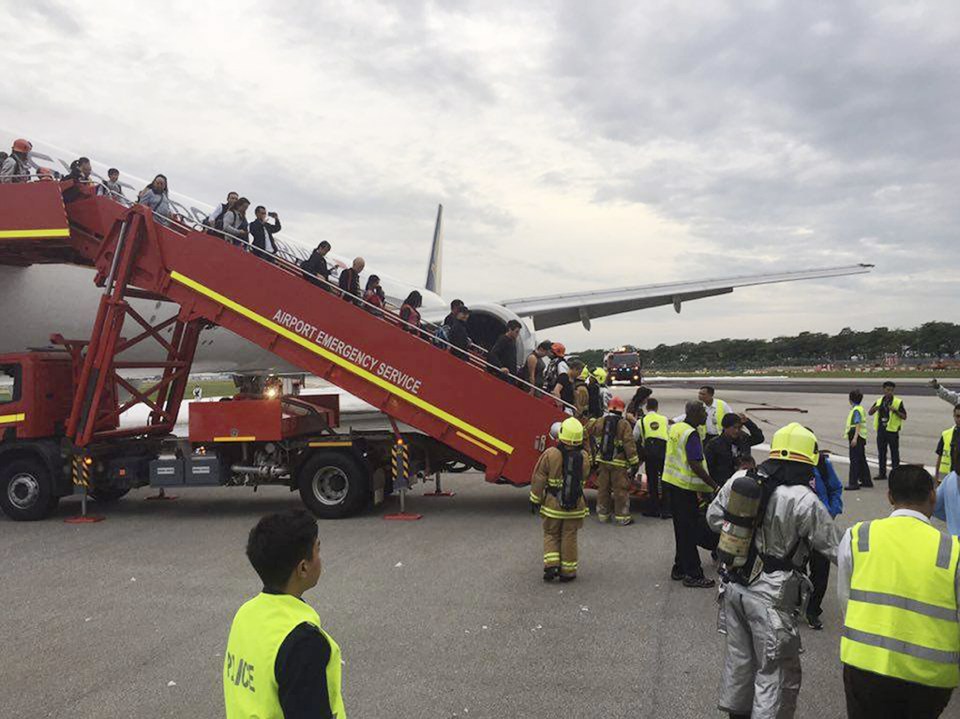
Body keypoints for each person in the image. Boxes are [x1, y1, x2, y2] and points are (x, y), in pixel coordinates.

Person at [707, 423, 841, 719]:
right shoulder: (804, 500)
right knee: (775, 674)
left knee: (740, 661)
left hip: (733, 587)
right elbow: (835, 548)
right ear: (808, 459)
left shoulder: (742, 478)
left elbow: (714, 518)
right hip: (773, 596)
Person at [838, 465, 959, 718]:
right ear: (933, 495)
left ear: (890, 497)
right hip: (929, 677)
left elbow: (845, 598)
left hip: (864, 666)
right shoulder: (951, 551)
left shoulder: (858, 536)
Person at [223, 510, 346, 718]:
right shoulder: (303, 642)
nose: (320, 558)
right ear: (303, 568)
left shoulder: (245, 614)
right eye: (317, 550)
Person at [663, 400, 719, 588]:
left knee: (681, 529)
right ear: (695, 413)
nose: (706, 415)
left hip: (671, 483)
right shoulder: (691, 434)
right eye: (703, 412)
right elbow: (695, 463)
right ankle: (693, 574)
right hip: (683, 488)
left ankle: (679, 567)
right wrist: (713, 486)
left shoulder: (677, 428)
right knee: (688, 532)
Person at [529, 417, 591, 582]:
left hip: (553, 505)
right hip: (576, 505)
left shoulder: (551, 454)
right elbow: (585, 476)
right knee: (569, 536)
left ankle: (551, 565)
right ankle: (568, 571)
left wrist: (535, 498)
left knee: (551, 533)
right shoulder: (584, 456)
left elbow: (539, 478)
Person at [588, 396, 640, 525]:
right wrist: (634, 462)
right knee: (620, 490)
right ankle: (622, 517)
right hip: (619, 464)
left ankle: (603, 516)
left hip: (603, 462)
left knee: (603, 490)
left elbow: (588, 430)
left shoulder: (600, 421)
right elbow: (629, 444)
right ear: (621, 410)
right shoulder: (624, 424)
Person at [805, 452, 843, 630]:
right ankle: (796, 603)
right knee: (794, 568)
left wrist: (832, 510)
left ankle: (813, 609)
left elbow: (835, 488)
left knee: (820, 571)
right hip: (798, 526)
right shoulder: (789, 467)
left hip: (822, 527)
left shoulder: (822, 463)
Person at [705, 413, 765, 488]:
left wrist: (747, 422)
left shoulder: (743, 439)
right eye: (734, 428)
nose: (737, 431)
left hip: (743, 483)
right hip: (723, 485)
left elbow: (759, 438)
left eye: (739, 428)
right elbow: (708, 468)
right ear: (725, 427)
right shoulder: (714, 445)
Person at [638, 397, 670, 519]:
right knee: (665, 481)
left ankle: (654, 509)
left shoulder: (641, 421)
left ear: (647, 407)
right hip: (663, 453)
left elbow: (635, 436)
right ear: (657, 407)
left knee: (652, 482)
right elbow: (668, 433)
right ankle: (666, 510)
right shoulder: (664, 419)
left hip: (650, 455)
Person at [869, 381, 907, 480]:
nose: (889, 392)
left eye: (891, 390)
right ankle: (882, 473)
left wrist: (895, 411)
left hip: (892, 431)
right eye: (887, 390)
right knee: (881, 453)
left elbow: (904, 416)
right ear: (884, 390)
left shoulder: (898, 402)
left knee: (894, 453)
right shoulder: (879, 401)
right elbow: (870, 412)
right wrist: (875, 408)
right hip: (881, 430)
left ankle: (896, 474)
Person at [845, 389, 872, 491]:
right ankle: (866, 480)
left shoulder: (856, 410)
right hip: (861, 436)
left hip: (856, 435)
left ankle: (853, 482)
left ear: (850, 399)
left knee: (854, 460)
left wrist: (855, 437)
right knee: (861, 459)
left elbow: (857, 423)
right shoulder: (860, 409)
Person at [934, 403, 960, 484]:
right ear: (953, 416)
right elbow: (940, 457)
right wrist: (937, 477)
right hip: (947, 479)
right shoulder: (946, 434)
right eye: (957, 416)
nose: (959, 419)